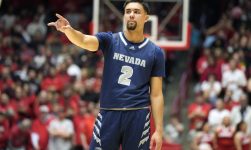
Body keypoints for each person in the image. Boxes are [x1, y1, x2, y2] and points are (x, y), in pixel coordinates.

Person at [48, 0, 165, 150]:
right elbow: (84, 40)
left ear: (146, 18)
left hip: (138, 115)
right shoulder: (110, 40)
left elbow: (156, 94)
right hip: (109, 112)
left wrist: (159, 130)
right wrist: (68, 30)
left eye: (136, 12)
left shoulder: (155, 52)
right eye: (128, 12)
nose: (131, 15)